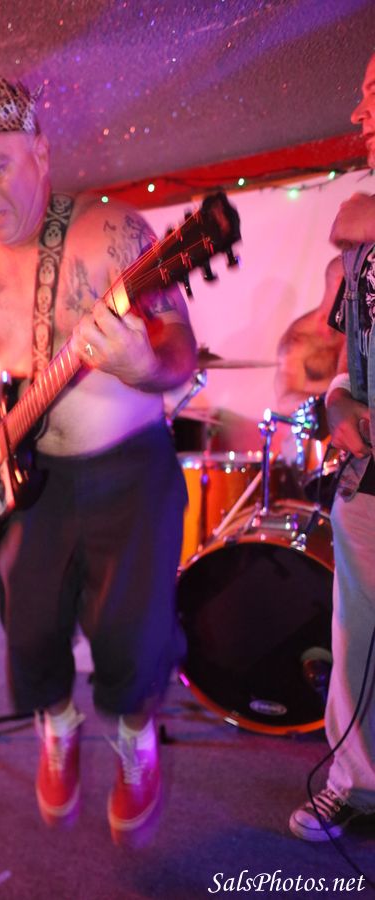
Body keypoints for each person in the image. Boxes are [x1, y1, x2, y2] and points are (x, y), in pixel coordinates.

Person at [0, 74, 197, 845]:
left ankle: (134, 742)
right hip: (32, 482)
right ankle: (58, 724)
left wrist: (141, 364)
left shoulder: (112, 233)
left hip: (129, 471)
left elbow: (180, 351)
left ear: (40, 150)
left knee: (130, 634)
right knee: (28, 627)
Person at [288, 53, 375, 842]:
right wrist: (337, 398)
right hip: (369, 476)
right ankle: (357, 787)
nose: (359, 115)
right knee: (356, 639)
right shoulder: (358, 232)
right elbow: (341, 350)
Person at [274, 255, 346, 415]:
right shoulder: (298, 342)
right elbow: (284, 402)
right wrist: (332, 401)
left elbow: (336, 270)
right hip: (338, 409)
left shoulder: (352, 317)